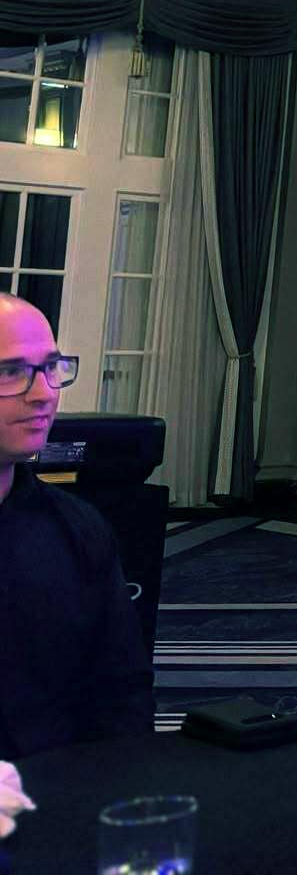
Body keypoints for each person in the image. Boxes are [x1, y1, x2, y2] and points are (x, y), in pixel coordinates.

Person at [0, 294, 154, 759]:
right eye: (11, 371)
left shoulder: (78, 528)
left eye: (51, 367)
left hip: (59, 790)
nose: (44, 392)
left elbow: (122, 692)